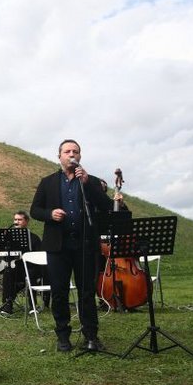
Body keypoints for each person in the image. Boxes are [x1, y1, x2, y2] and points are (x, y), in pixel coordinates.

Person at [30, 139, 118, 352]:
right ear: (59, 156)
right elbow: (35, 210)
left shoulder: (92, 181)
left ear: (80, 156)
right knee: (59, 292)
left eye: (75, 151)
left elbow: (107, 208)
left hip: (85, 245)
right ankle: (63, 336)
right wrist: (50, 214)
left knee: (87, 291)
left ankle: (91, 336)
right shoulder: (48, 182)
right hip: (57, 247)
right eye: (67, 151)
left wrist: (88, 184)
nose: (72, 154)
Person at [0, 211, 43, 315]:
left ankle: (33, 305)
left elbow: (39, 256)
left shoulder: (34, 238)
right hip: (15, 267)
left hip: (30, 267)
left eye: (20, 219)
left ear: (26, 221)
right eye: (15, 220)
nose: (16, 222)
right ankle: (7, 306)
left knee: (31, 274)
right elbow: (0, 251)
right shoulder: (9, 237)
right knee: (8, 273)